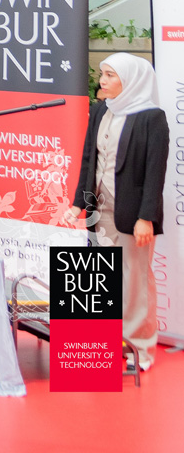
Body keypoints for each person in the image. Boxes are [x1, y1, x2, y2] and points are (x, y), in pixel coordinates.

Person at [66, 53, 169, 371]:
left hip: (132, 214)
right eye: (103, 74)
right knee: (100, 279)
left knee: (134, 280)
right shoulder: (101, 111)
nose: (103, 81)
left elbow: (155, 172)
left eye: (110, 75)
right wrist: (78, 203)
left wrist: (146, 217)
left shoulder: (152, 118)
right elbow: (88, 159)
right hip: (101, 210)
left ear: (131, 80)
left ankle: (139, 350)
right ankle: (105, 345)